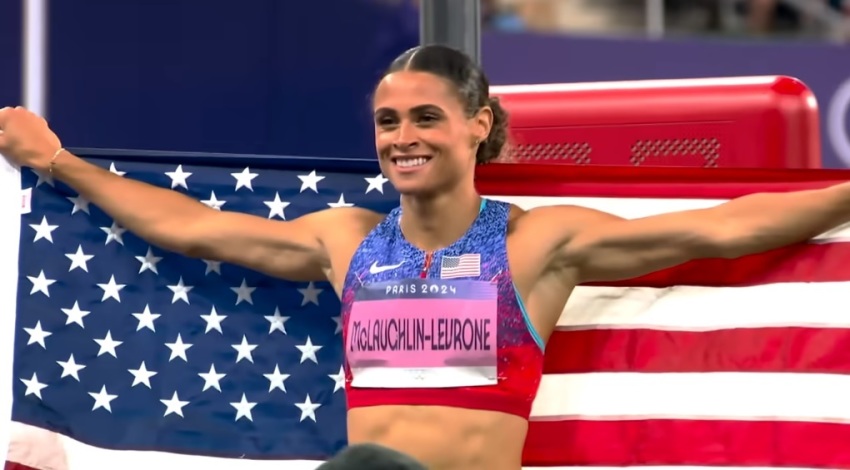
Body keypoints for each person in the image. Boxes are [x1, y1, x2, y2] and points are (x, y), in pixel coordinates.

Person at [1, 44, 850, 470]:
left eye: (425, 118)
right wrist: (58, 162)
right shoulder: (346, 241)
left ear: (479, 124)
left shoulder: (536, 243)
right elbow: (193, 228)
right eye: (388, 121)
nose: (402, 137)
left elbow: (723, 228)